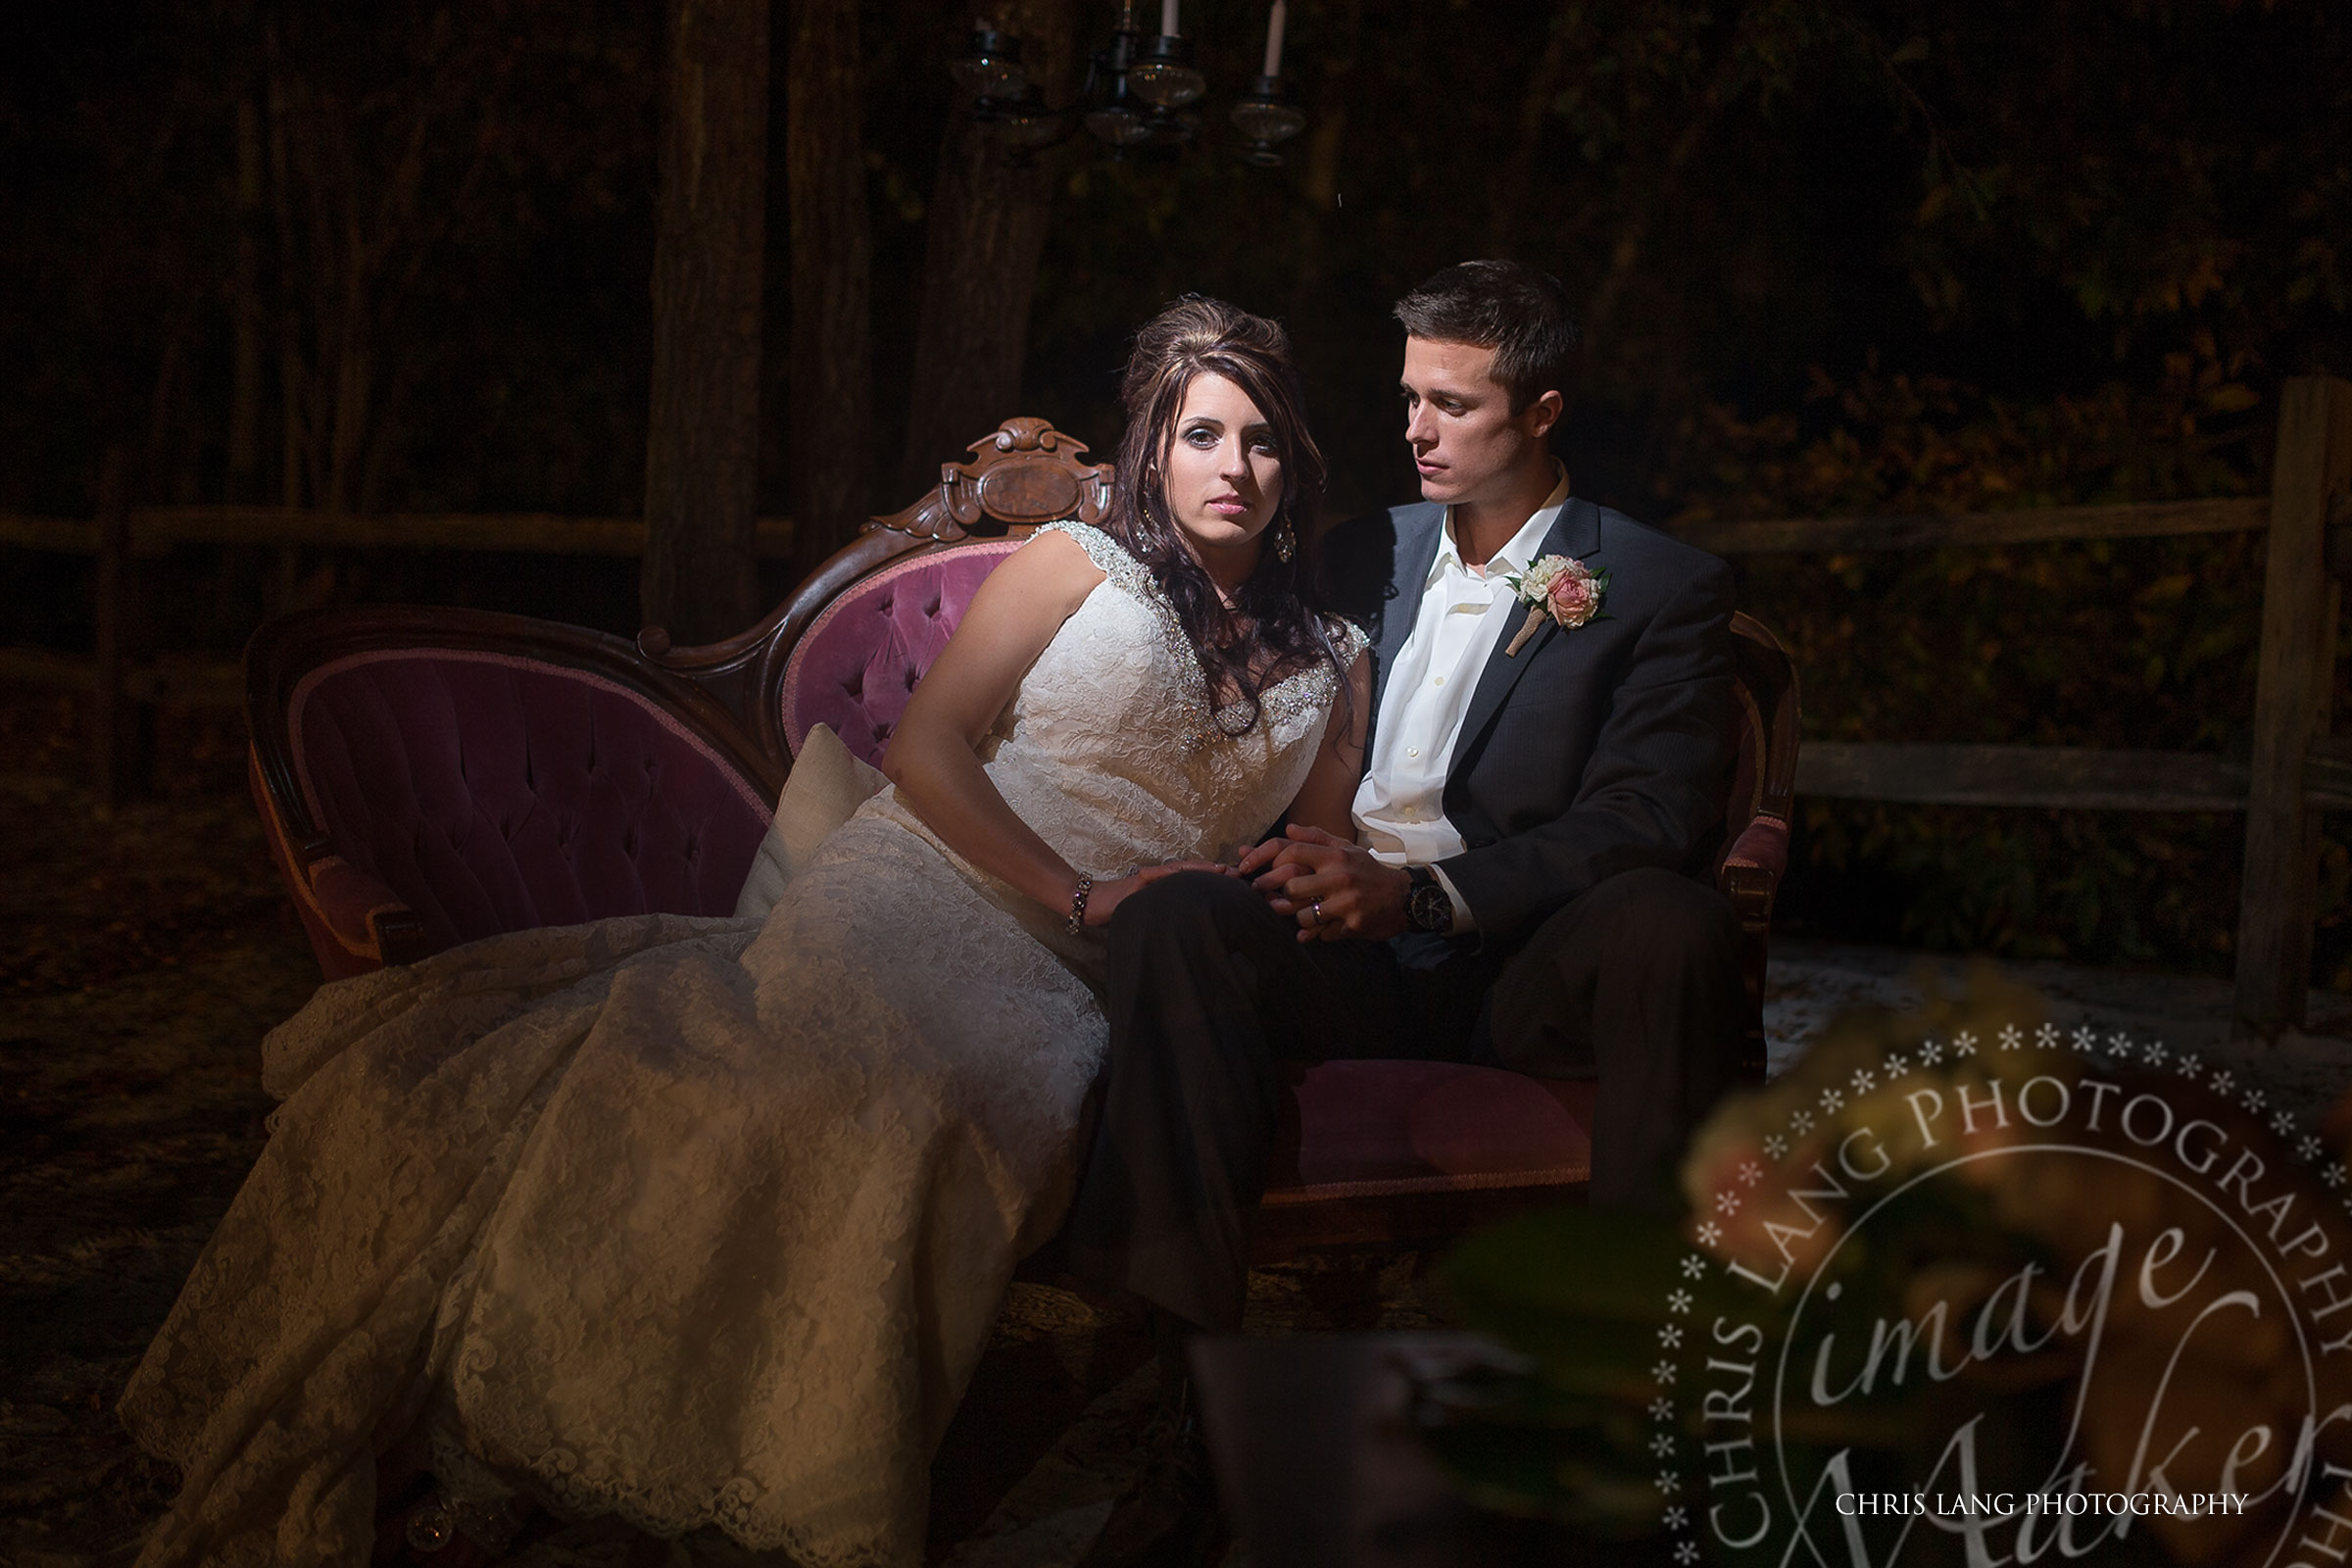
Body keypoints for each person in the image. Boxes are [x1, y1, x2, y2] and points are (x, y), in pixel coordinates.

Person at [116, 296, 1370, 1568]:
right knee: (750, 1074)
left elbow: (1309, 867)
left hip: (1092, 980)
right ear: (1153, 447)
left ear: (1296, 461)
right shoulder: (1074, 564)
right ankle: (515, 1426)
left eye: (1263, 441)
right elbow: (929, 747)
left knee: (921, 1118)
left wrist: (1297, 897)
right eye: (1204, 434)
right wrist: (1080, 892)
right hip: (931, 886)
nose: (1235, 468)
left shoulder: (1332, 661)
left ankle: (781, 1473)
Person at [1065, 260, 1747, 1566]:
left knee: (1675, 920)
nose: (1418, 429)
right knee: (1174, 925)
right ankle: (1193, 1425)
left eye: (1455, 402)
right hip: (1337, 944)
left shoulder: (1657, 586)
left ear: (1542, 411)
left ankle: (1638, 1419)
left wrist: (1430, 890)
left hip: (1517, 957)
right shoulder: (1356, 547)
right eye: (1408, 398)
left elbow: (1641, 821)